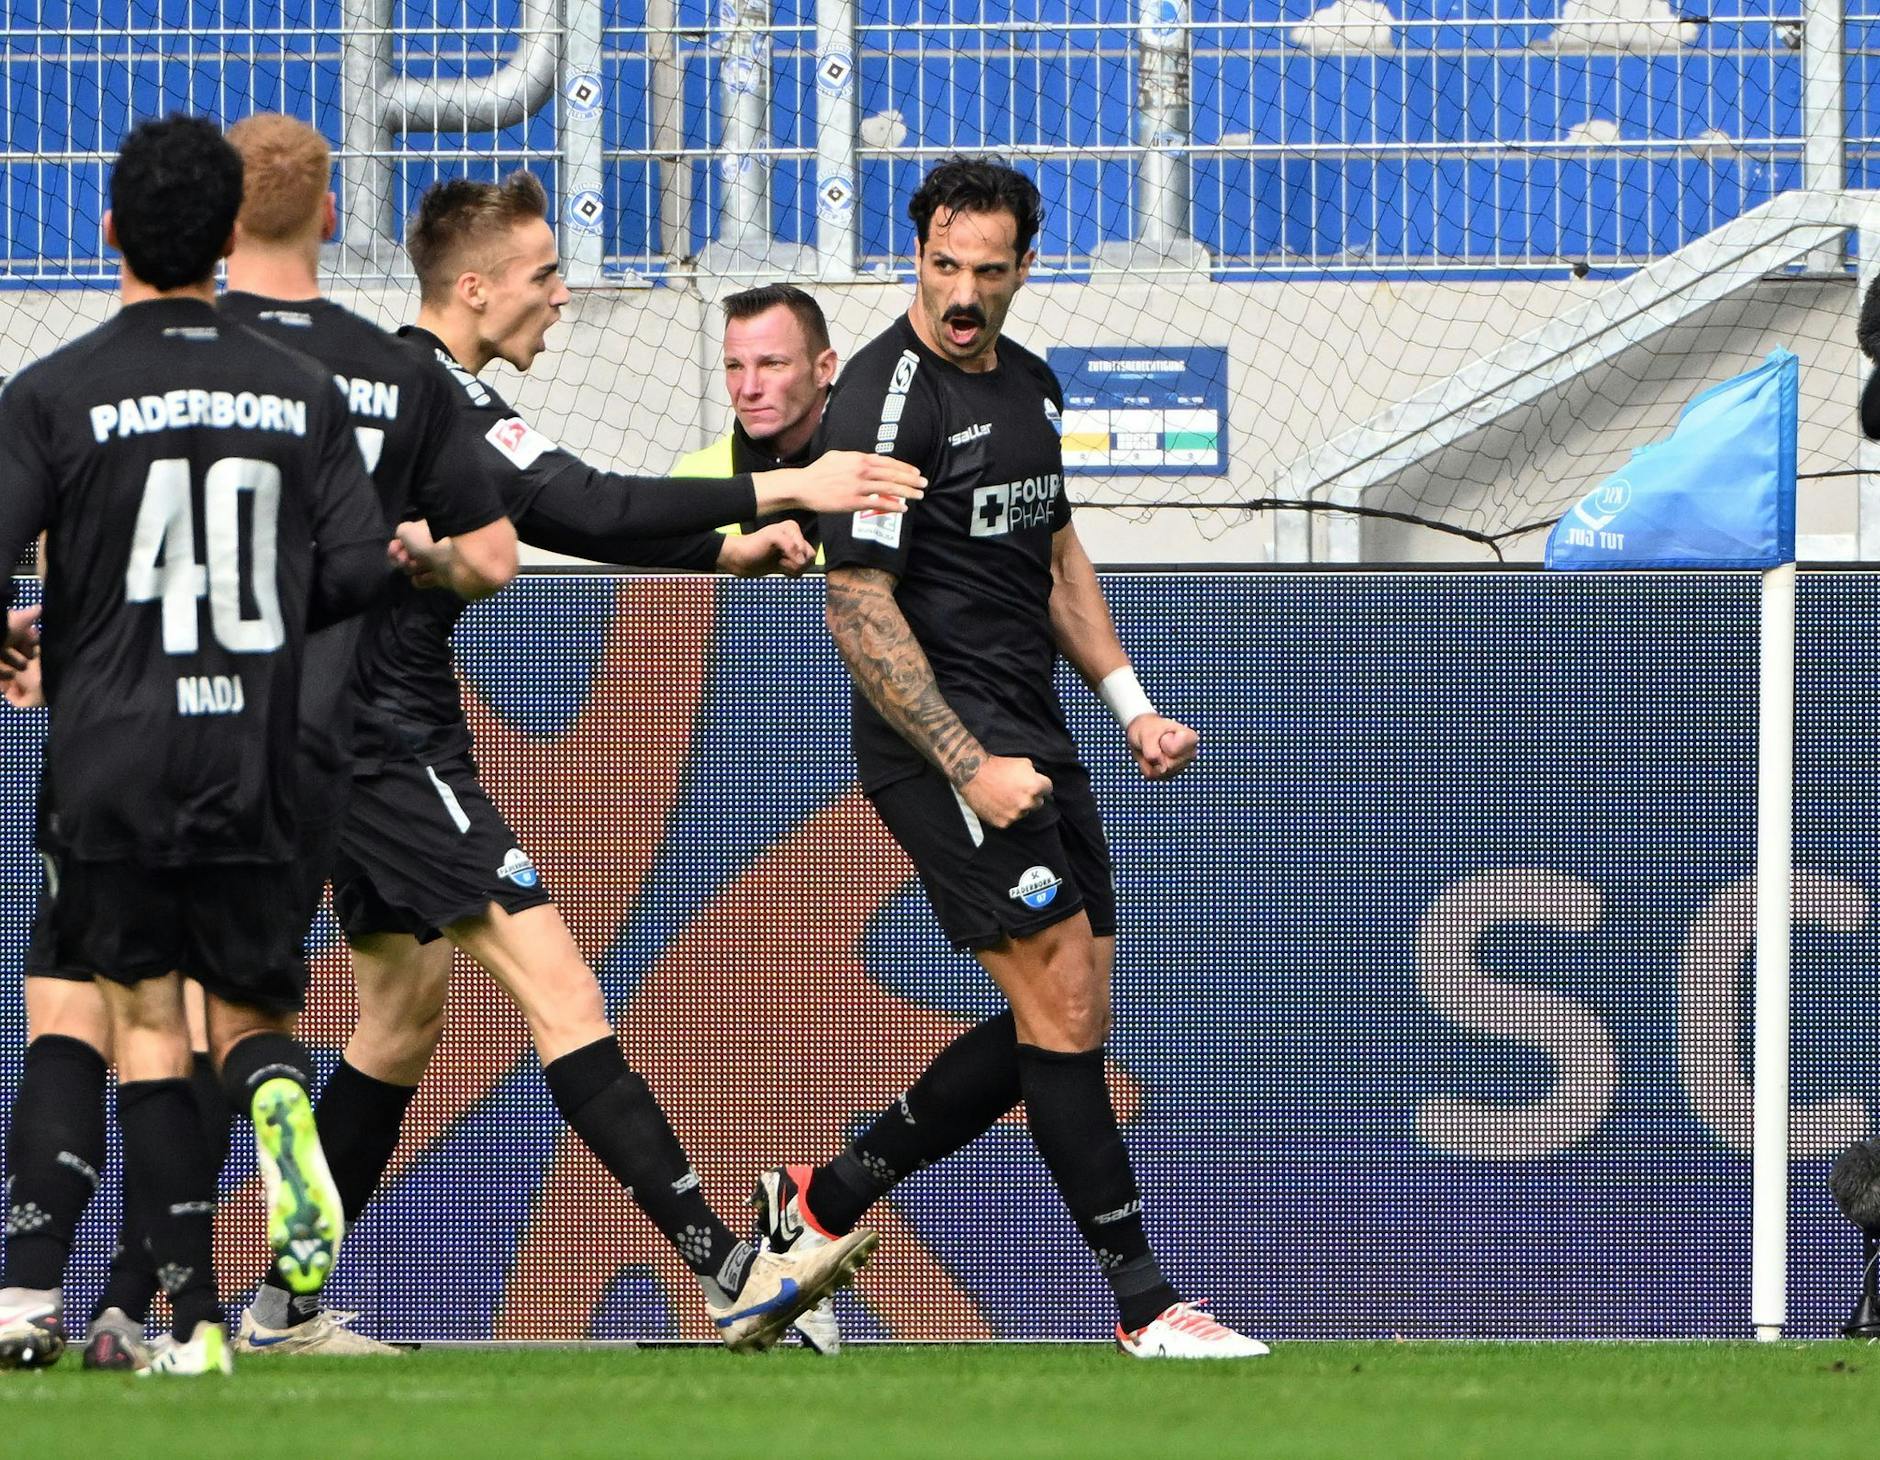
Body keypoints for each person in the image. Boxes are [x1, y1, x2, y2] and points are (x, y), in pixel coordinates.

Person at [234, 170, 919, 1355]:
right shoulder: (433, 387)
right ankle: (729, 1264)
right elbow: (583, 501)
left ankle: (280, 1308)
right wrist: (788, 482)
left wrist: (720, 548)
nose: (562, 298)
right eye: (546, 275)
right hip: (386, 738)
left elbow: (558, 514)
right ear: (476, 286)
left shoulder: (405, 387)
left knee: (397, 1019)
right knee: (565, 992)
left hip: (332, 729)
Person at [0, 112, 524, 1370]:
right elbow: (356, 571)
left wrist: (34, 633)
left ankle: (67, 1300)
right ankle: (267, 1123)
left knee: (109, 1012)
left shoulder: (54, 388)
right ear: (224, 233)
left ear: (112, 229)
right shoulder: (300, 389)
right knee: (238, 1010)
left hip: (113, 741)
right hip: (263, 749)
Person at [750, 156, 1269, 1358]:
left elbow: (1053, 557)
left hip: (1038, 726)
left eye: (989, 270)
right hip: (938, 742)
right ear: (914, 258)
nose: (964, 293)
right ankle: (1144, 1304)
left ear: (1024, 268)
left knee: (1066, 1010)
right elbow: (856, 608)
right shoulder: (885, 398)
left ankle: (820, 1200)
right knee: (1057, 1001)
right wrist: (963, 761)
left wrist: (1130, 702)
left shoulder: (1030, 385)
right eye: (944, 266)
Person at [675, 282, 835, 564]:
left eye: (772, 364)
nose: (748, 389)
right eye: (734, 366)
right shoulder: (692, 477)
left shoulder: (876, 473)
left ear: (823, 369)